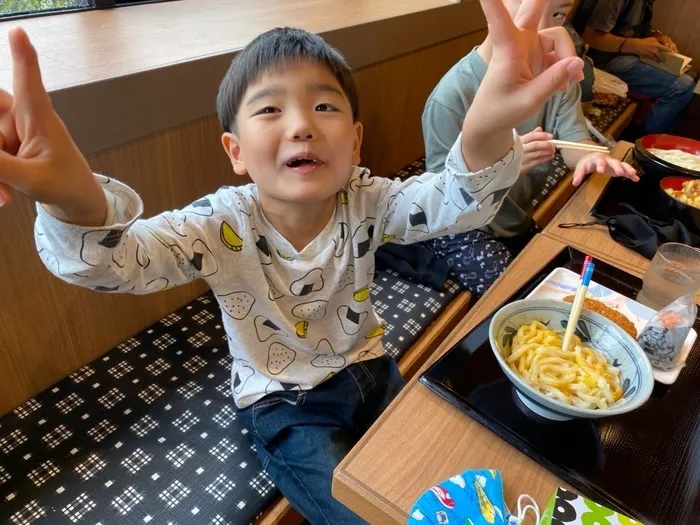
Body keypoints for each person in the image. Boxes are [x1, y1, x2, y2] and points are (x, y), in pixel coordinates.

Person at [0, 0, 584, 521]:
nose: (303, 125)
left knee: (435, 467)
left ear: (354, 142)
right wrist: (71, 199)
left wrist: (485, 128)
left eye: (324, 105)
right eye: (270, 110)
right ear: (235, 151)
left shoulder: (369, 198)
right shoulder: (217, 224)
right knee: (360, 509)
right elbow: (118, 262)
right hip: (283, 402)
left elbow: (454, 202)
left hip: (371, 370)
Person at [421, 0, 638, 297]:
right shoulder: (451, 94)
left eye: (558, 14)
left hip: (517, 219)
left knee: (564, 280)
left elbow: (575, 141)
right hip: (463, 230)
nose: (542, 27)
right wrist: (499, 164)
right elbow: (439, 197)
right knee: (519, 297)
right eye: (528, 7)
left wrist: (590, 157)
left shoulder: (557, 78)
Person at [576, 0, 696, 134]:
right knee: (683, 86)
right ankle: (642, 143)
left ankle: (655, 137)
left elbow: (632, 29)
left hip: (627, 53)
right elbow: (590, 37)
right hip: (603, 59)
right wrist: (636, 45)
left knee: (691, 75)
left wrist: (656, 35)